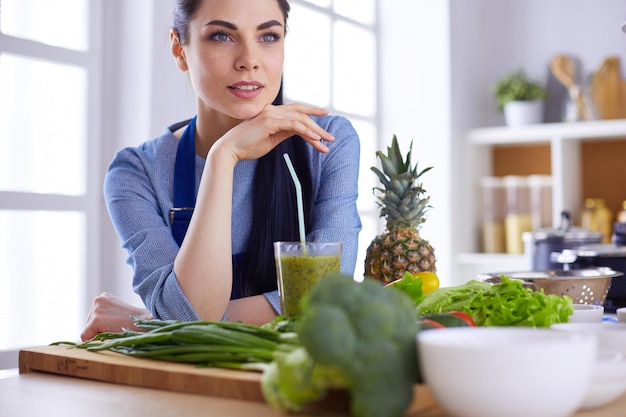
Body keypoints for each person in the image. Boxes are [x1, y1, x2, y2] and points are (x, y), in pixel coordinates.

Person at [81, 0, 361, 341]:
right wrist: (223, 157)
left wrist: (148, 320)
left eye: (268, 36)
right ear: (179, 49)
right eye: (222, 36)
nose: (249, 60)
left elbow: (327, 299)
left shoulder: (325, 142)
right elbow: (191, 314)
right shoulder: (136, 174)